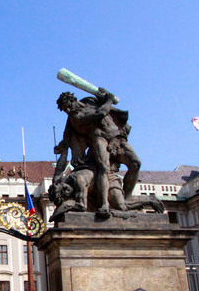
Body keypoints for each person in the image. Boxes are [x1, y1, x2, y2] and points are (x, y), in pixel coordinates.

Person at [55, 90, 141, 219]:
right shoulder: (76, 118)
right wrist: (109, 100)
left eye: (68, 106)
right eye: (64, 109)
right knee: (104, 169)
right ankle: (104, 204)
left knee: (135, 164)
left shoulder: (89, 101)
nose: (67, 110)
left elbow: (106, 108)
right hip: (100, 139)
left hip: (117, 138)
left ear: (73, 100)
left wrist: (102, 96)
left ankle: (126, 198)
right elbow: (101, 113)